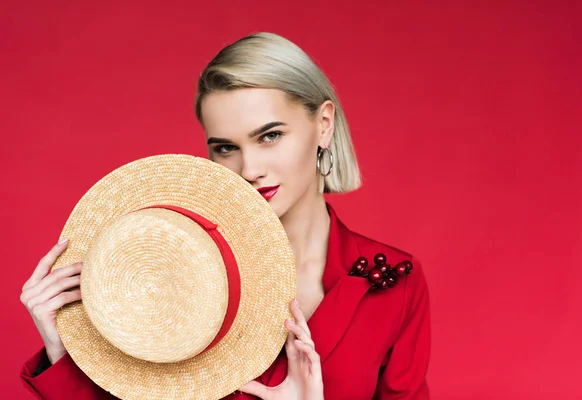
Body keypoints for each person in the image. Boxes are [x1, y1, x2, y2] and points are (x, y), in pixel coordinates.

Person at [20, 32, 431, 399]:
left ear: (323, 125)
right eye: (225, 148)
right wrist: (67, 350)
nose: (249, 169)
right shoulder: (168, 268)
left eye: (270, 136)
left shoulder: (394, 280)